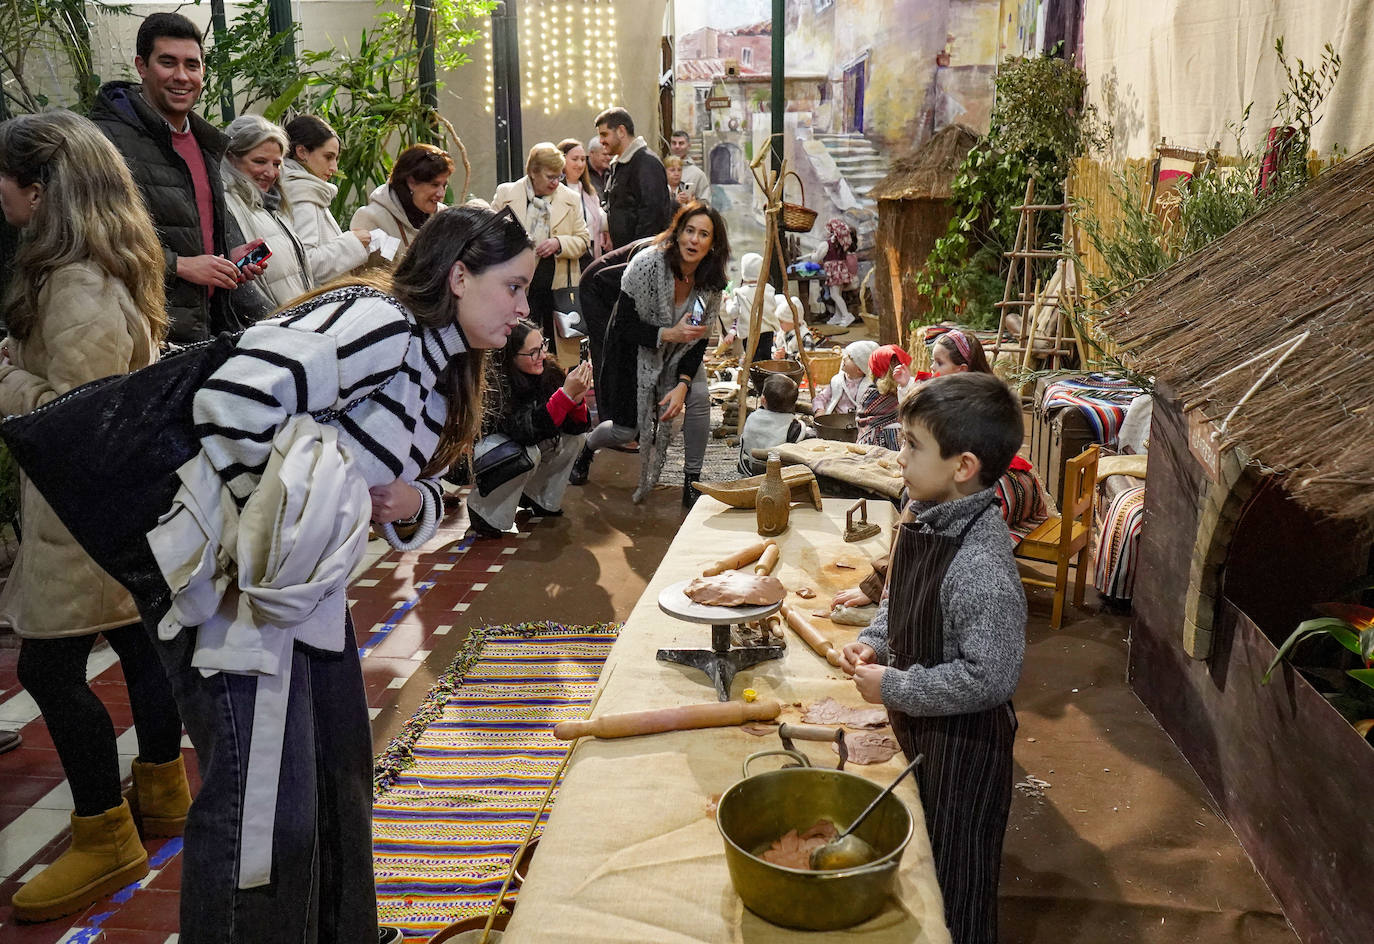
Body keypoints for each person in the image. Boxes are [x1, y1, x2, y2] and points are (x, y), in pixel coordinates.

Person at [139, 206, 533, 944]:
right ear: (459, 276)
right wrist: (278, 527)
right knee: (263, 812)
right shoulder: (380, 321)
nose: (522, 308)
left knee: (336, 788)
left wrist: (409, 501)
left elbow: (395, 501)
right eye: (512, 287)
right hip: (236, 600)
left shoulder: (437, 359)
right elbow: (231, 402)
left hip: (300, 602)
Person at [0, 110, 188, 923]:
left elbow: (83, 417)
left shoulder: (74, 282)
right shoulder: (103, 263)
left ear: (37, 191)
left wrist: (7, 381)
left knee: (47, 669)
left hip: (78, 520)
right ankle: (162, 792)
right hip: (114, 511)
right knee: (140, 644)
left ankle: (104, 835)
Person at [838, 373, 1025, 944]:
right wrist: (878, 637)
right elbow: (900, 598)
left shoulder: (982, 568)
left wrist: (893, 686)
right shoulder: (925, 515)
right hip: (924, 734)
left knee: (955, 881)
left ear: (962, 466)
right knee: (920, 862)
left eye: (913, 445)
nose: (899, 458)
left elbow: (988, 678)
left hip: (964, 751)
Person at [90, 11, 270, 344]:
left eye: (192, 65)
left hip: (208, 327)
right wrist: (180, 266)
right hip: (147, 332)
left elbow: (192, 227)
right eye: (168, 62)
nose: (182, 76)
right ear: (142, 66)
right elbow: (94, 238)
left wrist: (229, 256)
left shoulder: (204, 142)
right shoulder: (104, 142)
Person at [570, 202, 728, 506]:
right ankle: (588, 447)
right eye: (689, 231)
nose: (694, 239)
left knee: (698, 397)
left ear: (713, 244)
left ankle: (692, 481)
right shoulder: (646, 266)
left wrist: (682, 383)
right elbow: (625, 326)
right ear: (678, 233)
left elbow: (694, 338)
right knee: (625, 430)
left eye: (703, 234)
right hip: (631, 349)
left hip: (677, 349)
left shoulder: (709, 285)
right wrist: (669, 334)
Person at [466, 320, 593, 537]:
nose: (542, 355)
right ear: (510, 356)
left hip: (521, 444)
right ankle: (484, 511)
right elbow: (522, 431)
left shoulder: (549, 370)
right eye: (533, 352)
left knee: (576, 439)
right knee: (525, 454)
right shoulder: (494, 381)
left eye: (542, 345)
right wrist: (563, 398)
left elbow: (576, 428)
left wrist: (576, 401)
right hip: (486, 453)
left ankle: (539, 496)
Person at [492, 142, 590, 345]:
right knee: (518, 345)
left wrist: (559, 243)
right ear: (533, 172)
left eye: (559, 176)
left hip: (556, 288)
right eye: (550, 176)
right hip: (517, 286)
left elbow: (583, 240)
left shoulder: (570, 198)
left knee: (556, 349)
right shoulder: (506, 194)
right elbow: (490, 234)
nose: (556, 182)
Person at [220, 115, 313, 308]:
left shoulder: (271, 206)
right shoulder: (226, 207)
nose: (270, 172)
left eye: (276, 164)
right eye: (260, 161)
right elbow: (242, 292)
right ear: (230, 158)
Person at [281, 114, 371, 282]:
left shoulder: (303, 189)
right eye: (328, 157)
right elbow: (308, 264)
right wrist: (353, 243)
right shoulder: (302, 195)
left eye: (336, 159)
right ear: (301, 151)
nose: (334, 167)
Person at [350, 143, 452, 265]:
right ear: (411, 182)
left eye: (444, 185)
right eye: (434, 185)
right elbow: (359, 276)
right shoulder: (371, 219)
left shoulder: (443, 216)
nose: (441, 193)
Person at [595, 106, 671, 249]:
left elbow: (652, 215)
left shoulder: (647, 163)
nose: (601, 141)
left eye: (604, 134)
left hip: (641, 257)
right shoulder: (618, 165)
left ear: (621, 131)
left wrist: (636, 255)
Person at [737, 374, 814, 475]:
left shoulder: (752, 417)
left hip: (750, 468)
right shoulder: (793, 427)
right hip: (777, 473)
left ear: (763, 400)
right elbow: (803, 434)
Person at [722, 251, 787, 363]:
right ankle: (766, 377)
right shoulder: (769, 289)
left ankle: (753, 377)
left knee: (752, 360)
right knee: (766, 360)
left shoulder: (741, 293)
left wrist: (727, 301)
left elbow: (733, 312)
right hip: (767, 332)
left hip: (749, 334)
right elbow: (773, 307)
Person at [896, 328, 992, 402]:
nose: (932, 367)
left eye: (939, 363)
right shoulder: (942, 392)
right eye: (933, 361)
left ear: (962, 370)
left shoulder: (967, 404)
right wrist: (906, 385)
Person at [558, 137, 609, 268]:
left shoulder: (590, 192)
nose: (580, 164)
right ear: (561, 160)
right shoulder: (554, 192)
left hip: (591, 256)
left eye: (582, 159)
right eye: (575, 159)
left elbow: (600, 222)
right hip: (565, 259)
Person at [857, 343, 911, 449]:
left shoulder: (871, 395)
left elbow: (863, 423)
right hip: (902, 447)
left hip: (872, 448)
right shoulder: (910, 390)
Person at [813, 339, 878, 416]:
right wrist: (820, 410)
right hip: (837, 421)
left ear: (860, 369)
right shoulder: (837, 381)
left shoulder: (869, 387)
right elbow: (820, 398)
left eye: (850, 358)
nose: (844, 358)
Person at [668, 129, 708, 202]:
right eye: (674, 143)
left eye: (681, 143)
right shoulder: (661, 170)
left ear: (689, 146)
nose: (677, 147)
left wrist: (692, 202)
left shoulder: (697, 174)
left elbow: (706, 204)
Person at [586, 135, 611, 200]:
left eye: (610, 154)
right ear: (591, 153)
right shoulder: (581, 173)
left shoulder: (612, 173)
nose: (609, 158)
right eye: (604, 154)